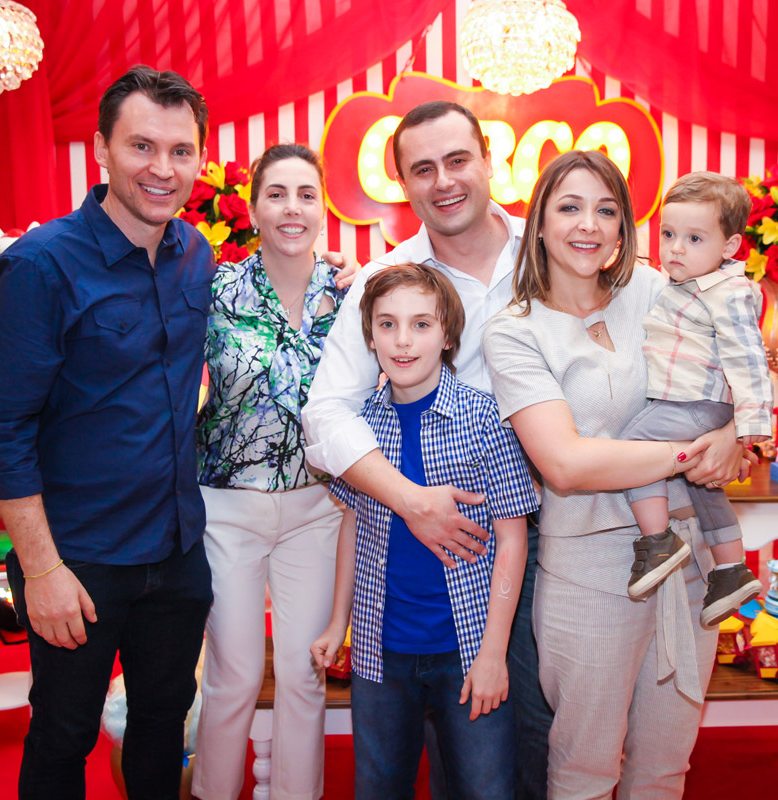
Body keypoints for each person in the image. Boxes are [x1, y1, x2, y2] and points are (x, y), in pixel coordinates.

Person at [301, 100, 744, 799]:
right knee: (472, 740)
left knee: (546, 739)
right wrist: (412, 501)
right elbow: (325, 412)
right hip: (470, 533)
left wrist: (733, 426)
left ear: (489, 161)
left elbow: (711, 353)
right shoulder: (395, 278)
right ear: (403, 184)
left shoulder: (575, 256)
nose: (444, 180)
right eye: (423, 168)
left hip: (568, 529)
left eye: (457, 160)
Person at [0, 66, 214, 800]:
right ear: (102, 149)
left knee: (163, 725)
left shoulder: (195, 255)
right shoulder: (39, 266)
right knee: (63, 735)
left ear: (199, 159)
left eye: (180, 150)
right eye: (142, 146)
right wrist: (41, 570)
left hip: (176, 551)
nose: (162, 168)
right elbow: (0, 430)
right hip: (77, 559)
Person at [484, 150, 740, 798]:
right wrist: (692, 452)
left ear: (624, 224)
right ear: (540, 223)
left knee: (665, 769)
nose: (588, 225)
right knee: (585, 770)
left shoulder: (654, 292)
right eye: (569, 207)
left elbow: (732, 366)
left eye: (605, 210)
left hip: (690, 566)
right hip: (591, 575)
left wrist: (734, 430)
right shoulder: (514, 331)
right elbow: (565, 464)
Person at [310, 263, 538, 799]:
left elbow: (513, 538)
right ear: (370, 337)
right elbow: (353, 525)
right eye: (387, 324)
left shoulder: (485, 419)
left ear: (448, 335)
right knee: (379, 785)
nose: (403, 340)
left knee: (485, 787)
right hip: (380, 652)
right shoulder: (360, 428)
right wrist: (338, 622)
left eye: (421, 324)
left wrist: (493, 654)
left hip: (466, 649)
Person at [191, 143, 346, 800]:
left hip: (317, 509)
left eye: (306, 194)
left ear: (323, 208)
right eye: (277, 194)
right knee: (234, 675)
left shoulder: (349, 293)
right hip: (227, 508)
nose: (292, 208)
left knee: (306, 676)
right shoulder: (213, 290)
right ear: (254, 209)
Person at [621, 172, 771, 627]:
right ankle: (731, 569)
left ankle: (658, 541)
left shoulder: (728, 292)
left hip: (694, 403)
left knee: (633, 449)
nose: (676, 249)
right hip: (694, 404)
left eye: (694, 238)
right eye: (668, 234)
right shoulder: (684, 285)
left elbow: (749, 358)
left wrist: (750, 429)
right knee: (704, 485)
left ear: (730, 246)